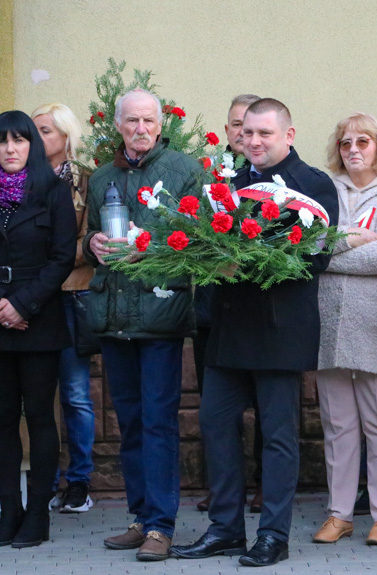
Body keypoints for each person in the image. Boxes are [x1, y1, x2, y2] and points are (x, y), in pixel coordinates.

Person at [171, 98, 339, 567]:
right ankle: (225, 529)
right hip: (228, 328)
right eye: (247, 133)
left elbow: (317, 256)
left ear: (289, 134)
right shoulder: (230, 181)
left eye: (265, 133)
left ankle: (273, 536)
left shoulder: (313, 184)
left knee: (279, 437)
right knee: (216, 424)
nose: (255, 141)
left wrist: (248, 258)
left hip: (280, 329)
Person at [82, 88, 199, 561]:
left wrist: (149, 249)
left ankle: (160, 527)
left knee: (158, 424)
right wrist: (92, 240)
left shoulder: (185, 171)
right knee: (130, 423)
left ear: (160, 123)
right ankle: (139, 516)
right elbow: (89, 231)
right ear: (117, 125)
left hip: (159, 316)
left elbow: (197, 241)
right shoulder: (102, 178)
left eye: (148, 121)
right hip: (114, 317)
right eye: (132, 121)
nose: (141, 129)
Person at [311, 112, 377, 546]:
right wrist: (353, 240)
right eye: (346, 143)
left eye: (363, 142)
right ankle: (340, 513)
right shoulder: (324, 190)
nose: (353, 150)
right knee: (337, 424)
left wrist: (335, 248)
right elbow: (307, 246)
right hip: (329, 324)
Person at [0, 110, 76, 547]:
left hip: (38, 321)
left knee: (40, 418)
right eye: (3, 141)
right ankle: (8, 509)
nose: (11, 149)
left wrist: (22, 304)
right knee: (3, 420)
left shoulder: (52, 191)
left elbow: (62, 257)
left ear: (31, 145)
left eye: (20, 140)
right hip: (0, 320)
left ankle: (38, 515)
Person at [194, 93, 265, 515]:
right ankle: (225, 487)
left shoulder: (276, 177)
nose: (244, 133)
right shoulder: (211, 176)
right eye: (237, 124)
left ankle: (263, 485)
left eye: (252, 125)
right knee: (217, 412)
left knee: (266, 410)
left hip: (261, 313)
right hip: (213, 311)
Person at [31, 103, 97, 514]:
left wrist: (47, 265)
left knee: (74, 394)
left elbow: (92, 238)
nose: (35, 140)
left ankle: (79, 482)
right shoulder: (21, 181)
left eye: (44, 131)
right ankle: (43, 480)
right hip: (34, 299)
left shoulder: (86, 181)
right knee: (38, 396)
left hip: (72, 293)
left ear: (66, 137)